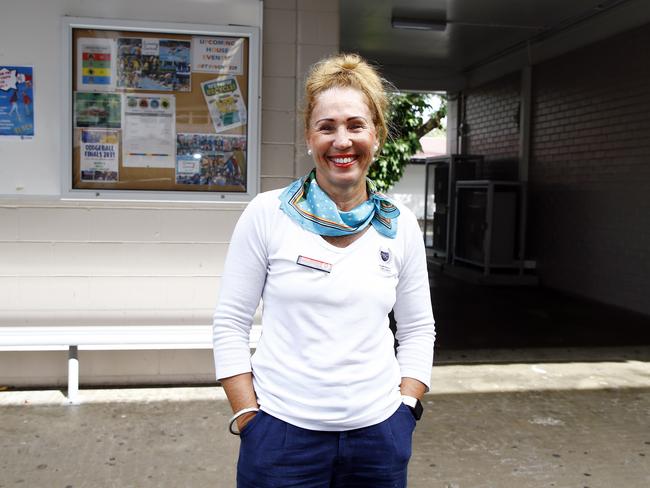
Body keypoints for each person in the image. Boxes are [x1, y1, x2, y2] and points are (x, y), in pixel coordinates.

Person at [213, 53, 435, 488]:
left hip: (379, 437)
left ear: (377, 134)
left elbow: (418, 328)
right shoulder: (267, 214)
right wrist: (247, 416)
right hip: (281, 435)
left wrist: (405, 410)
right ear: (309, 137)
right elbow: (229, 323)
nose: (342, 141)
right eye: (327, 127)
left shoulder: (398, 225)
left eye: (355, 125)